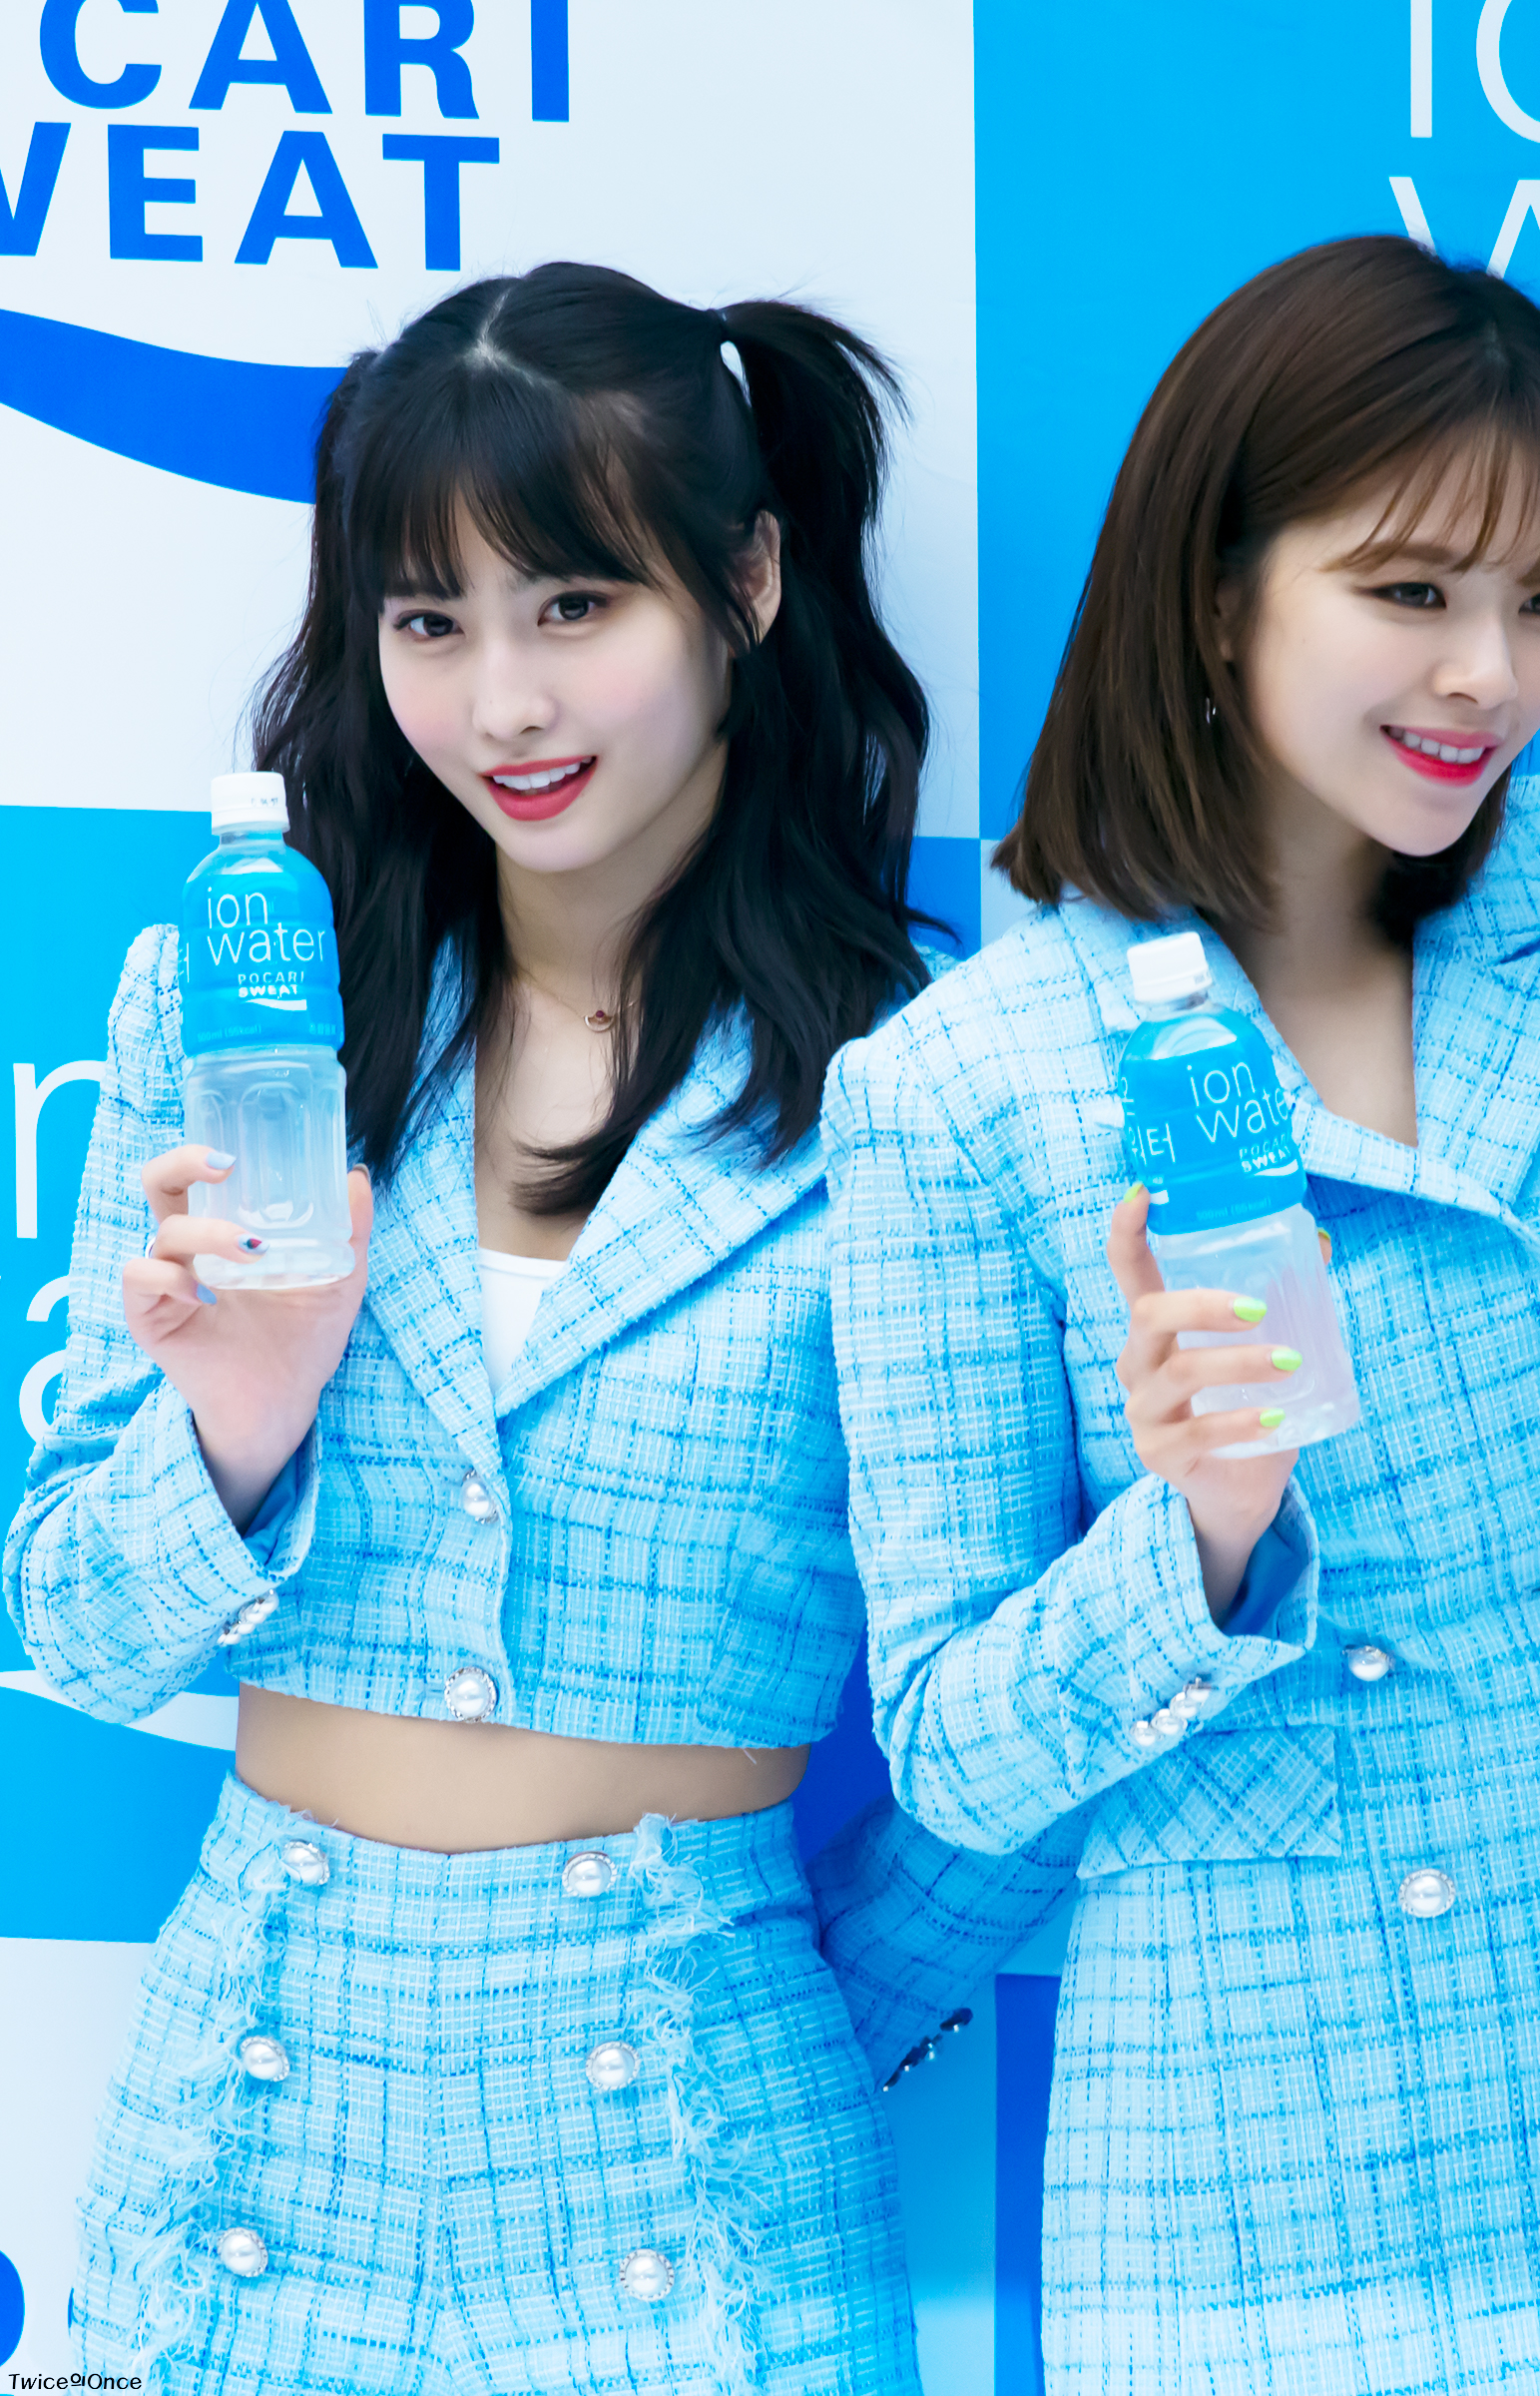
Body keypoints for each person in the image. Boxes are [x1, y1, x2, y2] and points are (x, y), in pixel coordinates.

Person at [824, 235, 1540, 2392]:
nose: (1490, 675)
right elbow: (949, 1744)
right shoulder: (964, 1083)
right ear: (1216, 586)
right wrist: (1200, 1535)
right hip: (1276, 2154)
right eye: (1411, 591)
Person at [6, 263, 1072, 2396]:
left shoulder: (928, 1082)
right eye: (430, 622)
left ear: (746, 583)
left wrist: (749, 1995)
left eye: (574, 605)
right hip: (245, 2138)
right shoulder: (242, 1008)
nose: (503, 702)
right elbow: (81, 1640)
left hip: (696, 2174)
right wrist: (234, 1428)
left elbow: (1000, 1736)